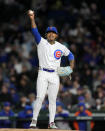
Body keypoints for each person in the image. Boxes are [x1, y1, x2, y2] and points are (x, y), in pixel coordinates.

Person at [27, 10, 75, 129]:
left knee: (53, 100)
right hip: (43, 73)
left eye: (53, 33)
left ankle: (51, 122)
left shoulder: (61, 46)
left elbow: (71, 56)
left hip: (55, 74)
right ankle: (34, 120)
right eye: (49, 32)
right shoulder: (41, 42)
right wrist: (32, 18)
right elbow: (34, 31)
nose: (51, 34)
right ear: (46, 34)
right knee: (39, 97)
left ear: (56, 35)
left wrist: (70, 69)